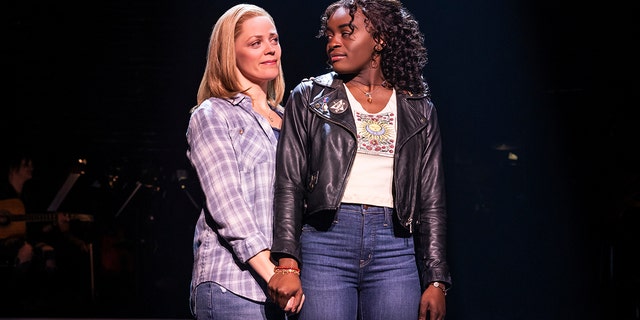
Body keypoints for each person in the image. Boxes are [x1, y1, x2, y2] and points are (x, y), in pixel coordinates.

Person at [268, 0, 452, 319]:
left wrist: (436, 279)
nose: (333, 42)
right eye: (329, 35)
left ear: (379, 40)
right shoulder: (309, 97)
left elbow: (431, 201)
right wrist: (287, 262)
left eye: (346, 32)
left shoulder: (419, 109)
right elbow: (289, 184)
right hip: (325, 243)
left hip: (396, 248)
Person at [185, 4, 300, 320]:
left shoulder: (290, 118)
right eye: (256, 43)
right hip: (234, 286)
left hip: (287, 288)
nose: (270, 50)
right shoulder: (213, 115)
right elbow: (227, 204)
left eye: (273, 40)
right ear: (228, 53)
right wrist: (272, 273)